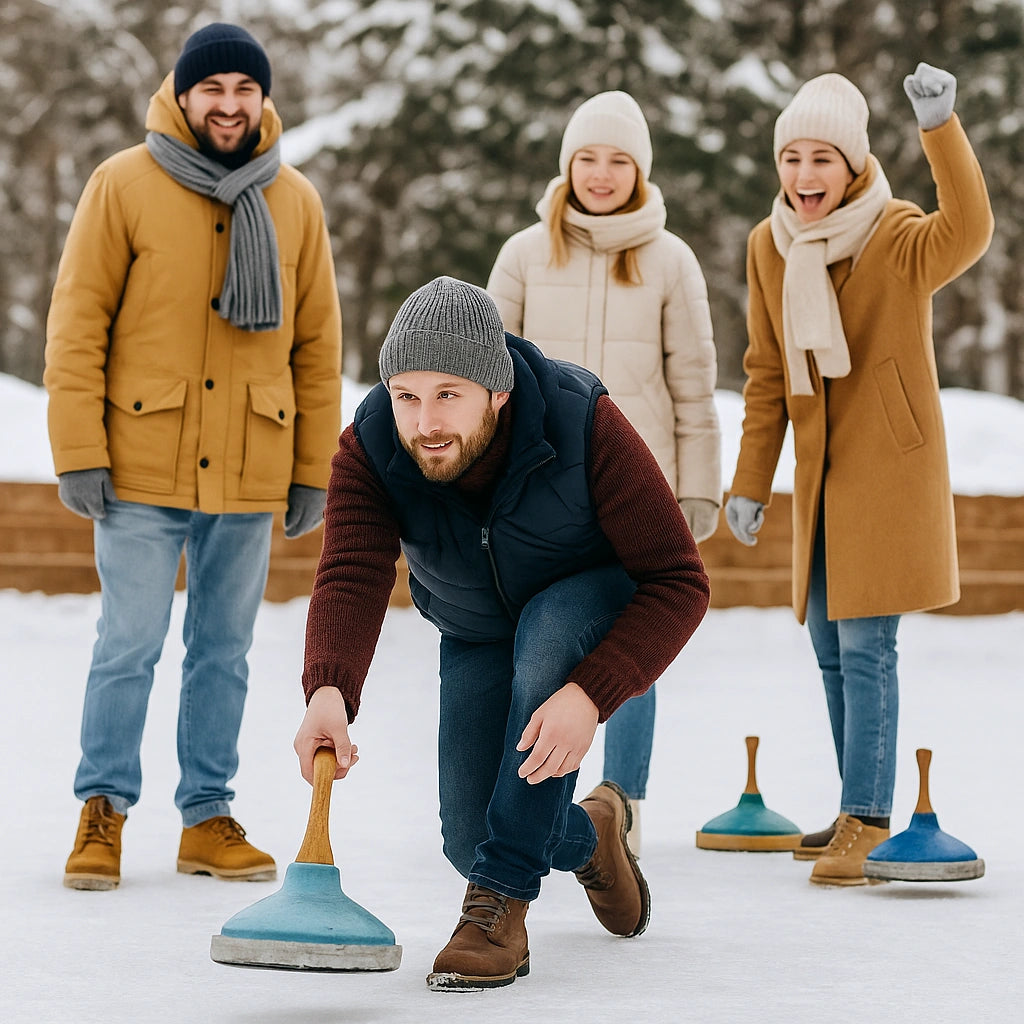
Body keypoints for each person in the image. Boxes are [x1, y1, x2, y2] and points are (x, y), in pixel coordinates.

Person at [294, 276, 710, 989]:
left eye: (449, 394)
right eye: (408, 396)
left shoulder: (581, 421)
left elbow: (680, 580)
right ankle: (590, 837)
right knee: (470, 835)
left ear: (499, 390)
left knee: (547, 641)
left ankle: (497, 914)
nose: (425, 421)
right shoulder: (372, 445)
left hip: (585, 598)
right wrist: (329, 689)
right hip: (475, 624)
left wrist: (591, 694)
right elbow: (352, 569)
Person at [45, 22, 343, 891]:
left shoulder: (294, 201)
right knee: (127, 644)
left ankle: (207, 816)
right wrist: (78, 449)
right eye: (211, 89)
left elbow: (318, 347)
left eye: (243, 89)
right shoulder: (123, 184)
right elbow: (77, 326)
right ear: (182, 95)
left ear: (262, 98)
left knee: (224, 650)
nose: (228, 104)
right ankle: (102, 809)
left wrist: (312, 465)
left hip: (250, 464)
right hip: (139, 462)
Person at [725, 65, 992, 885]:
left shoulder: (899, 236)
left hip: (888, 470)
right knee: (828, 646)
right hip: (819, 476)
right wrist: (748, 480)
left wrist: (940, 127)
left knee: (868, 645)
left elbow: (971, 228)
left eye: (822, 159)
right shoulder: (769, 247)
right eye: (792, 159)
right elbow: (767, 371)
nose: (805, 176)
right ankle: (854, 806)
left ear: (853, 166)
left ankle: (869, 818)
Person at [486, 91, 721, 853]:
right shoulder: (524, 254)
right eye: (588, 158)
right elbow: (488, 379)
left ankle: (623, 800)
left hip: (636, 488)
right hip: (543, 489)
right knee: (536, 641)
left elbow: (693, 380)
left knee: (636, 634)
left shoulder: (670, 260)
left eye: (618, 160)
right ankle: (530, 791)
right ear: (568, 165)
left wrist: (696, 487)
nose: (601, 173)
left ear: (640, 172)